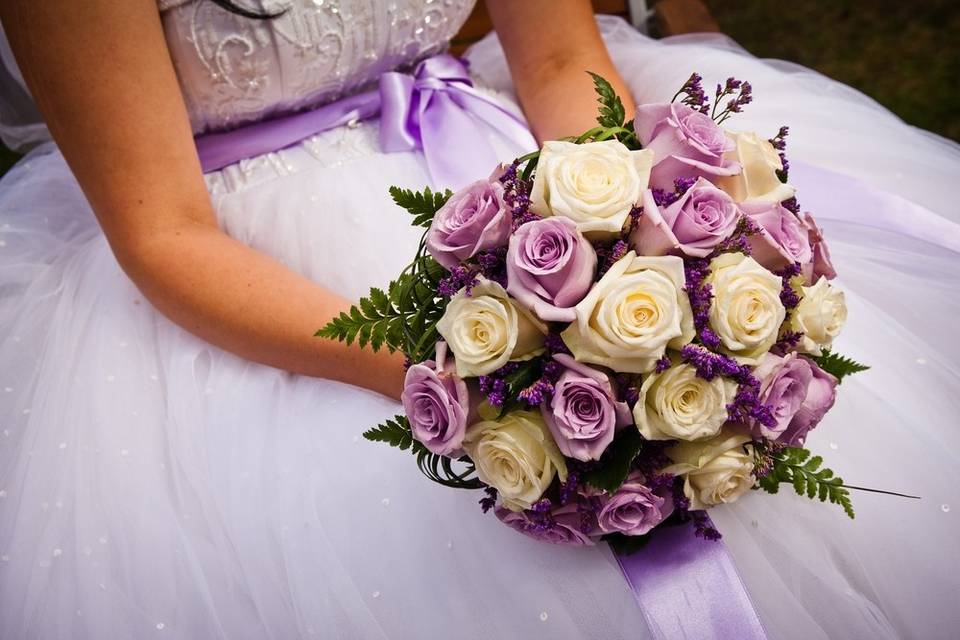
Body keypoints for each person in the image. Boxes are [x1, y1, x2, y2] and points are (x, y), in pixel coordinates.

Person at [0, 1, 957, 638]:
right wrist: (448, 374)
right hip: (251, 270)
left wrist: (628, 243)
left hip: (488, 168)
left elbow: (557, 58)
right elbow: (162, 234)